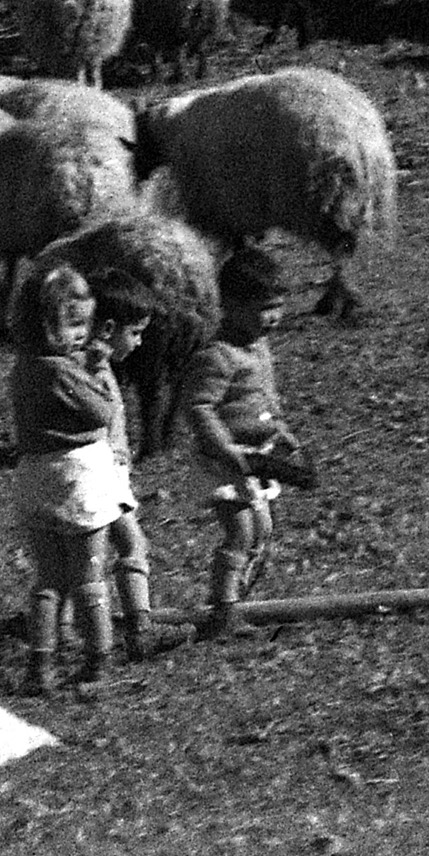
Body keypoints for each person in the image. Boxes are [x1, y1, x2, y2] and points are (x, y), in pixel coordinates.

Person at [150, 242, 320, 633]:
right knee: (241, 530)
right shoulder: (218, 355)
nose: (274, 317)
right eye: (264, 308)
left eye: (278, 305)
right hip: (227, 460)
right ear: (229, 304)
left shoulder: (258, 348)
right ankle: (224, 610)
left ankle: (234, 598)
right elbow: (199, 407)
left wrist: (282, 431)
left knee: (262, 529)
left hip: (258, 456)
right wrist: (223, 447)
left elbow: (266, 397)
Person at [9, 263, 145, 687]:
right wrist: (100, 371)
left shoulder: (23, 368)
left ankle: (40, 664)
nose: (81, 334)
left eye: (83, 323)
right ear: (44, 325)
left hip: (35, 477)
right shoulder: (61, 370)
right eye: (71, 325)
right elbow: (102, 412)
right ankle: (98, 659)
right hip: (77, 478)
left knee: (48, 580)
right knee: (89, 576)